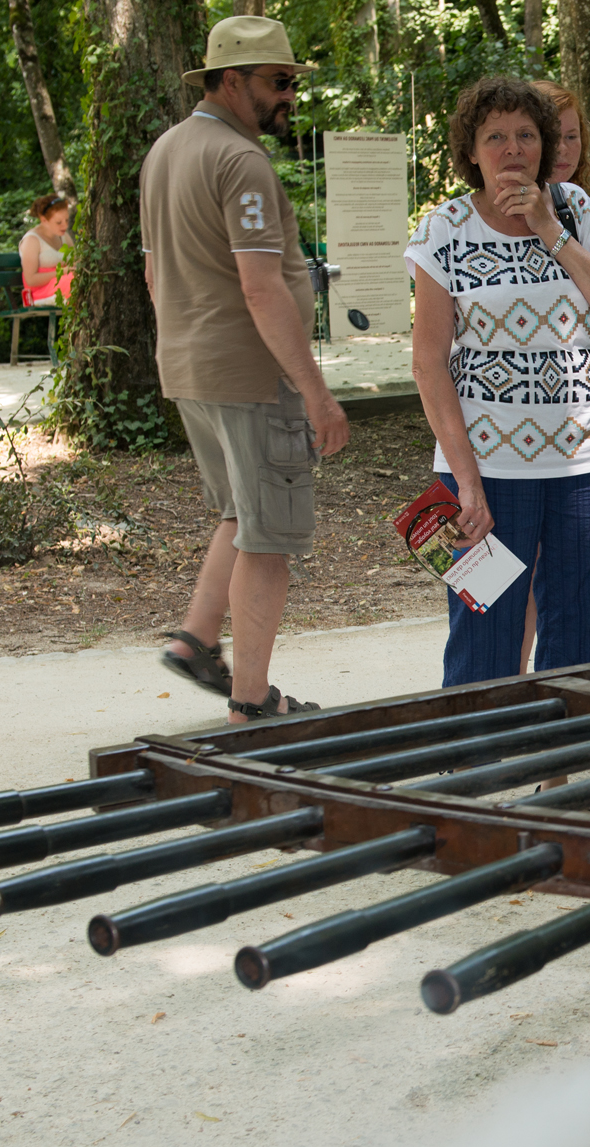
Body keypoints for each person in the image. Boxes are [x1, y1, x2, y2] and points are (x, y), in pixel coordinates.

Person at [141, 15, 347, 721]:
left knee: (240, 511)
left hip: (190, 367)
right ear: (232, 81)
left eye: (292, 82)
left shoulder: (167, 150)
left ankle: (196, 639)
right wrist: (317, 394)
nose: (289, 95)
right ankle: (253, 704)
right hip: (252, 376)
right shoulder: (240, 161)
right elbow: (261, 288)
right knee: (269, 538)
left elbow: (154, 276)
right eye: (278, 82)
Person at [406, 76, 590, 687]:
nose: (512, 149)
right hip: (484, 471)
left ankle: (570, 751)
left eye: (526, 135)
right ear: (471, 150)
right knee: (482, 635)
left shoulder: (577, 210)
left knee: (585, 640)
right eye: (495, 137)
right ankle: (475, 749)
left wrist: (549, 229)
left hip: (586, 464)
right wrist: (466, 483)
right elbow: (428, 363)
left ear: (545, 145)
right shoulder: (443, 229)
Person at [512, 77, 590, 674]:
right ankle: (508, 701)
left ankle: (556, 726)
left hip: (583, 440)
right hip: (502, 448)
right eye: (550, 136)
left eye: (573, 136)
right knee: (502, 598)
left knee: (572, 599)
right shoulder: (466, 222)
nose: (562, 149)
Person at [18, 194, 74, 306]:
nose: (65, 226)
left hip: (63, 283)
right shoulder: (31, 241)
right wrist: (62, 272)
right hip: (40, 293)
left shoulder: (64, 236)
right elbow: (31, 280)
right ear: (44, 220)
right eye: (58, 222)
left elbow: (76, 260)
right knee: (73, 281)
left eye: (67, 220)